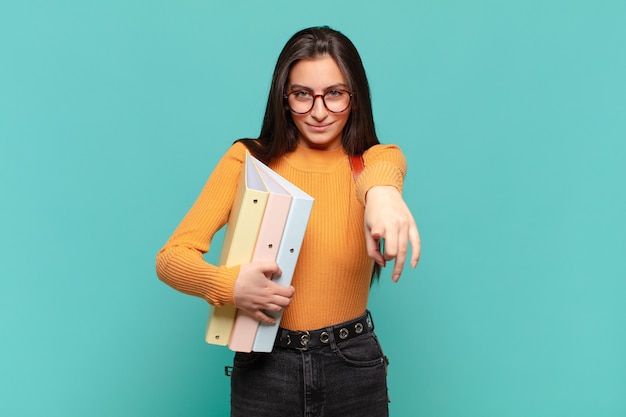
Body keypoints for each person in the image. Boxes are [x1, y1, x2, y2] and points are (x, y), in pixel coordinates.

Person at [156, 26, 420, 417]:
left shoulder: (373, 163)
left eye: (334, 94)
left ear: (355, 97)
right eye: (302, 95)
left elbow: (388, 164)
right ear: (283, 98)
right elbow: (171, 258)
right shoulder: (248, 161)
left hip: (352, 364)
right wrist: (230, 285)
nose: (318, 111)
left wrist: (382, 195)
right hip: (266, 365)